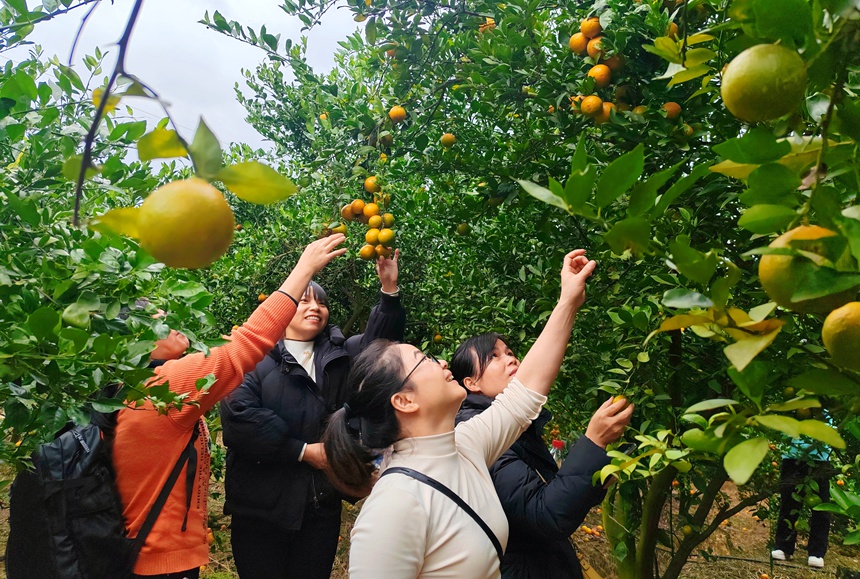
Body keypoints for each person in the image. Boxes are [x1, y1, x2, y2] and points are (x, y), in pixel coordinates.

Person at [324, 249, 609, 578]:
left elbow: (525, 391)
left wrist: (568, 302)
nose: (443, 362)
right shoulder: (394, 506)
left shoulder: (466, 445)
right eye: (425, 359)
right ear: (404, 401)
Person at [112, 234, 347, 579]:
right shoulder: (162, 388)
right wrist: (303, 269)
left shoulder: (123, 389)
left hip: (134, 548)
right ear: (135, 340)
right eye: (159, 319)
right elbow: (246, 346)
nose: (172, 319)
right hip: (158, 558)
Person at [219, 250, 406, 579]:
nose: (315, 308)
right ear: (284, 309)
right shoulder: (252, 356)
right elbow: (239, 418)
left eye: (320, 303)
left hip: (319, 504)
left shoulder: (339, 355)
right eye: (303, 301)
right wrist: (303, 451)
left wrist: (388, 289)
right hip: (260, 507)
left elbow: (380, 346)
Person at [451, 332, 631, 579]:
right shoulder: (479, 435)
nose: (511, 360)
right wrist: (593, 442)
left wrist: (597, 476)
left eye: (510, 353)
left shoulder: (518, 429)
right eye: (494, 356)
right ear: (472, 383)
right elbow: (544, 515)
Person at [771, 436, 833, 568]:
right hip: (792, 454)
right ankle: (784, 547)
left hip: (820, 457)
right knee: (788, 504)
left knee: (821, 509)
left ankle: (817, 552)